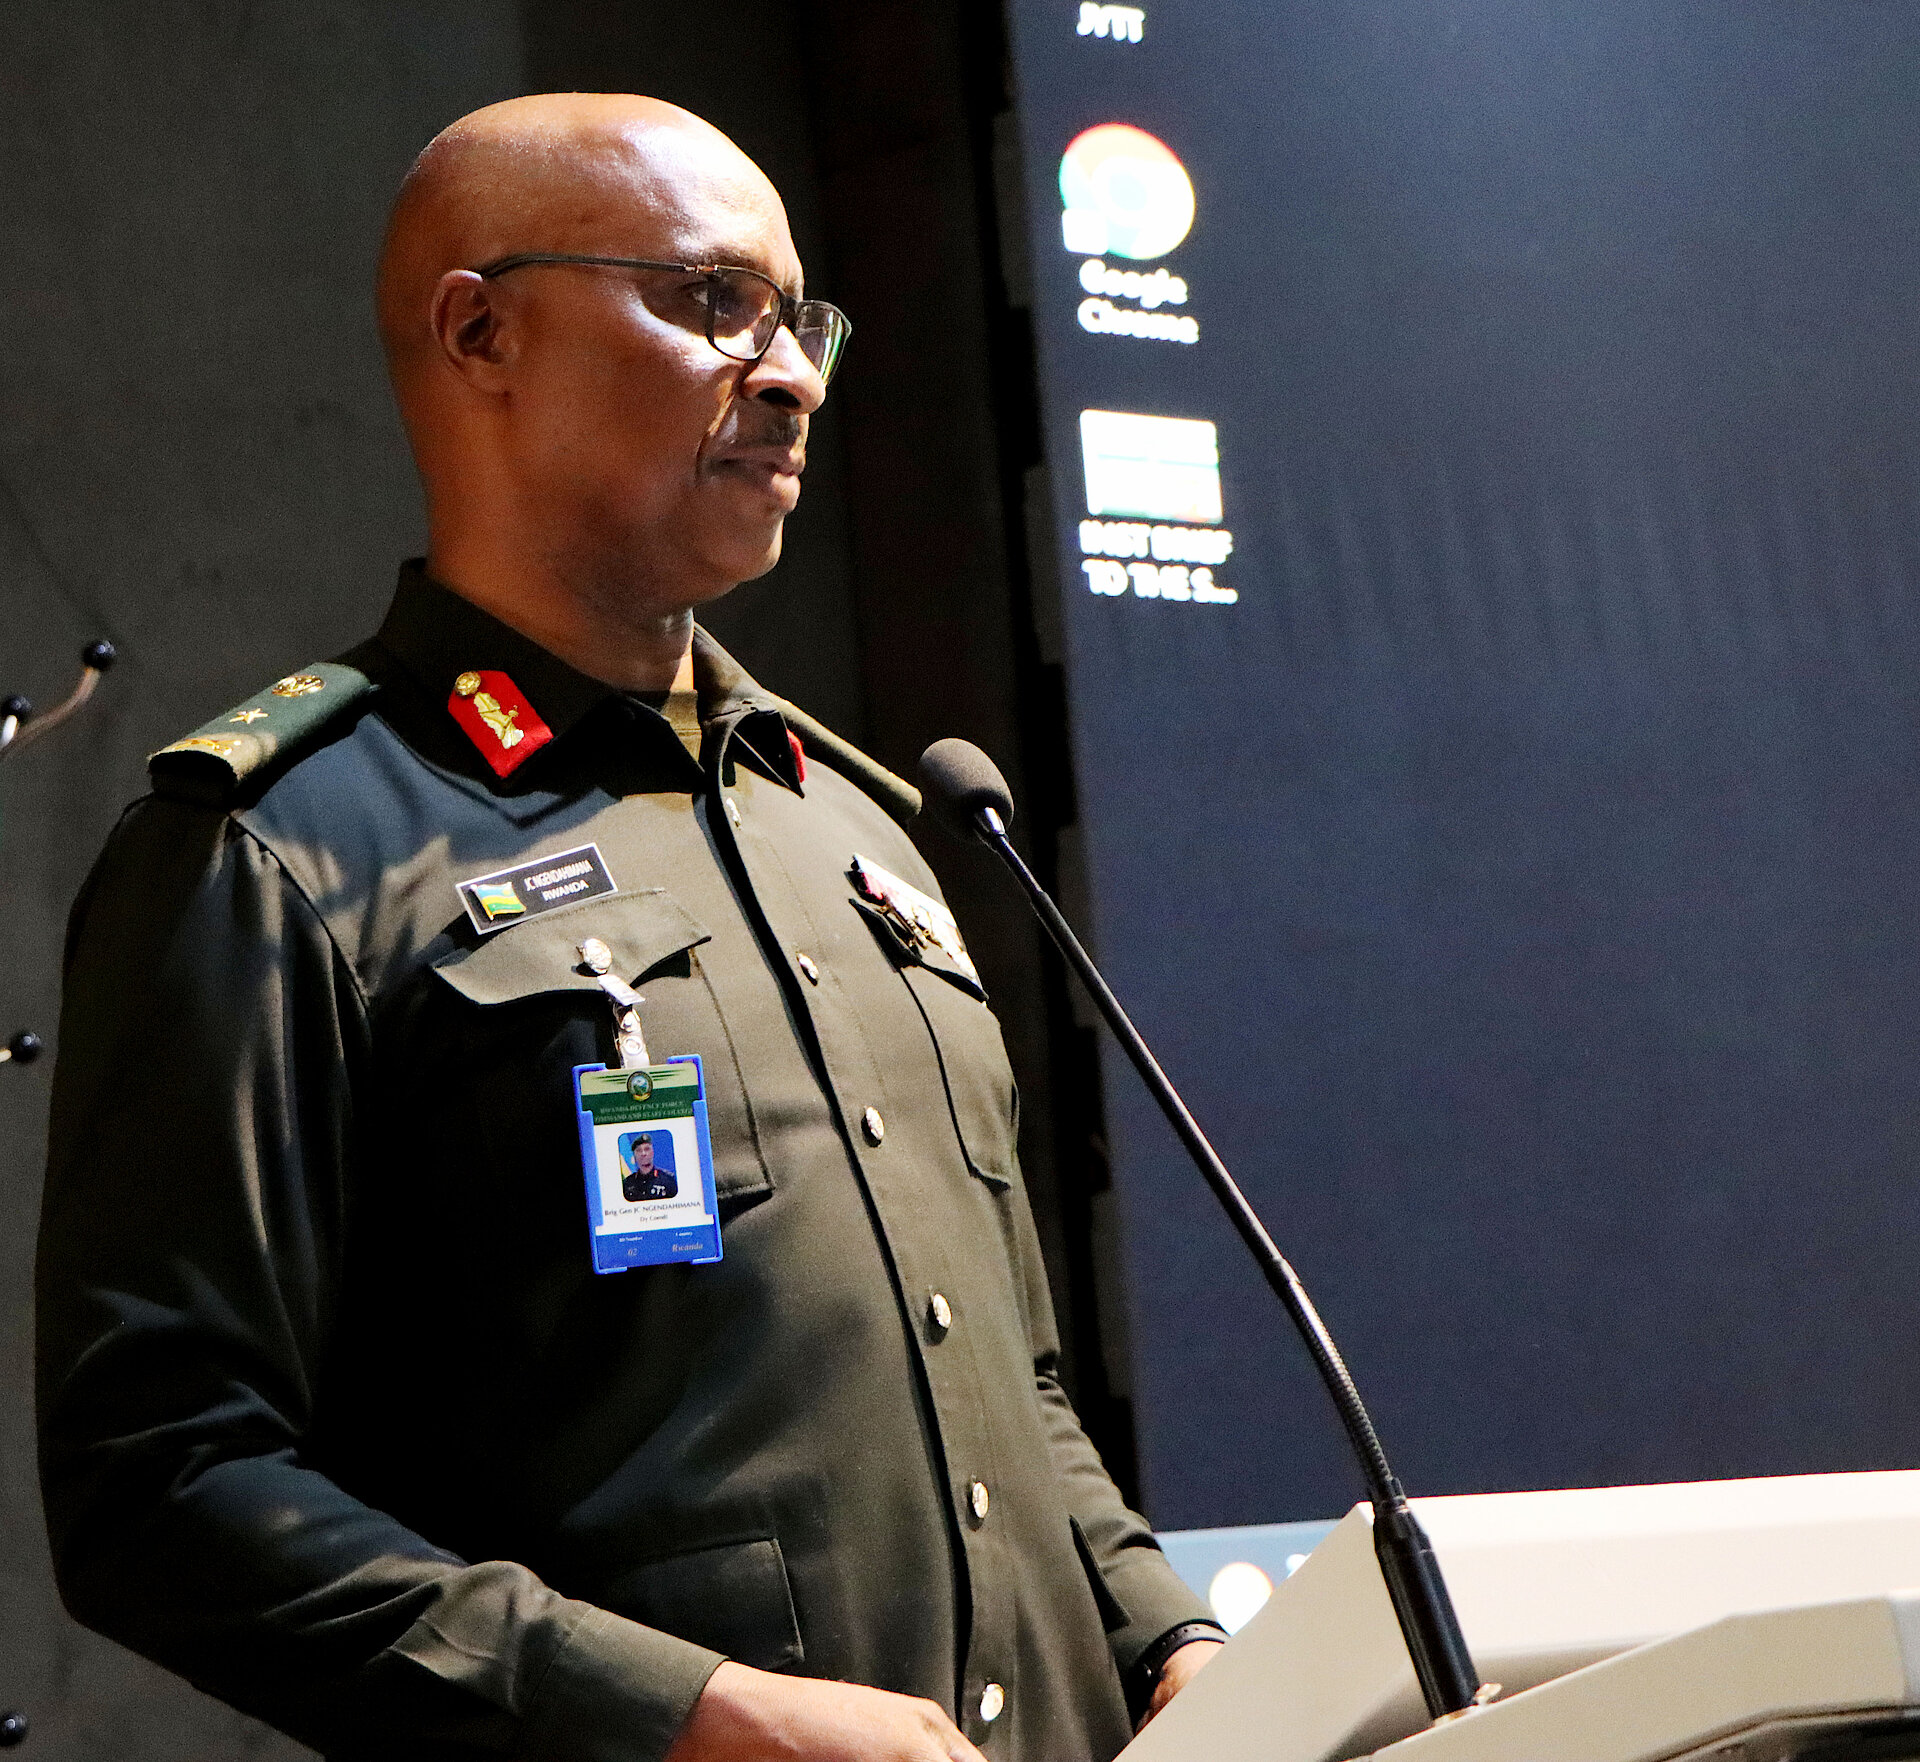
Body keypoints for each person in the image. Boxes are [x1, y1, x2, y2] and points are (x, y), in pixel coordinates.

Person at [35, 94, 1223, 1762]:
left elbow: (1010, 1388)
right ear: (482, 332)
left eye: (802, 320)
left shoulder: (861, 826)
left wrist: (1171, 1636)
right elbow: (163, 1480)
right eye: (714, 302)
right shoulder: (278, 853)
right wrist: (687, 1716)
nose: (794, 375)